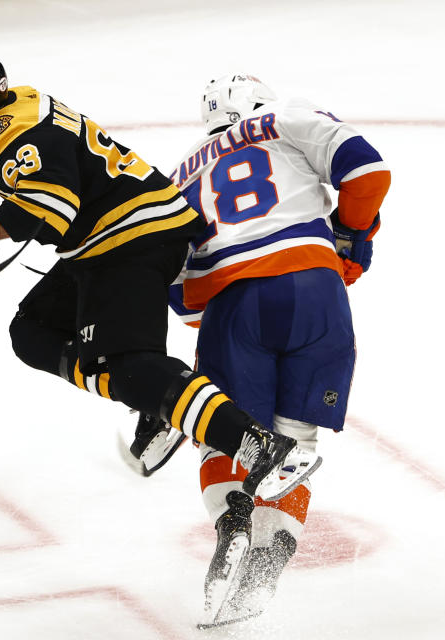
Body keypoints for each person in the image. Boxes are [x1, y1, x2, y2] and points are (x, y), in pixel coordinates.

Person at [0, 46, 322, 507]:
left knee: (133, 367)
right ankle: (157, 402)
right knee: (33, 333)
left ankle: (264, 448)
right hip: (104, 244)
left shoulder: (27, 130)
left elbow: (51, 207)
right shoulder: (1, 119)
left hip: (138, 237)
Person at [162, 74, 391, 627]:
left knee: (227, 437)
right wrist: (350, 237)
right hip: (317, 291)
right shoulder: (284, 114)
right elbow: (367, 169)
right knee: (295, 444)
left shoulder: (177, 177)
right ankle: (270, 560)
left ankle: (233, 525)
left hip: (231, 308)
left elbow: (182, 299)